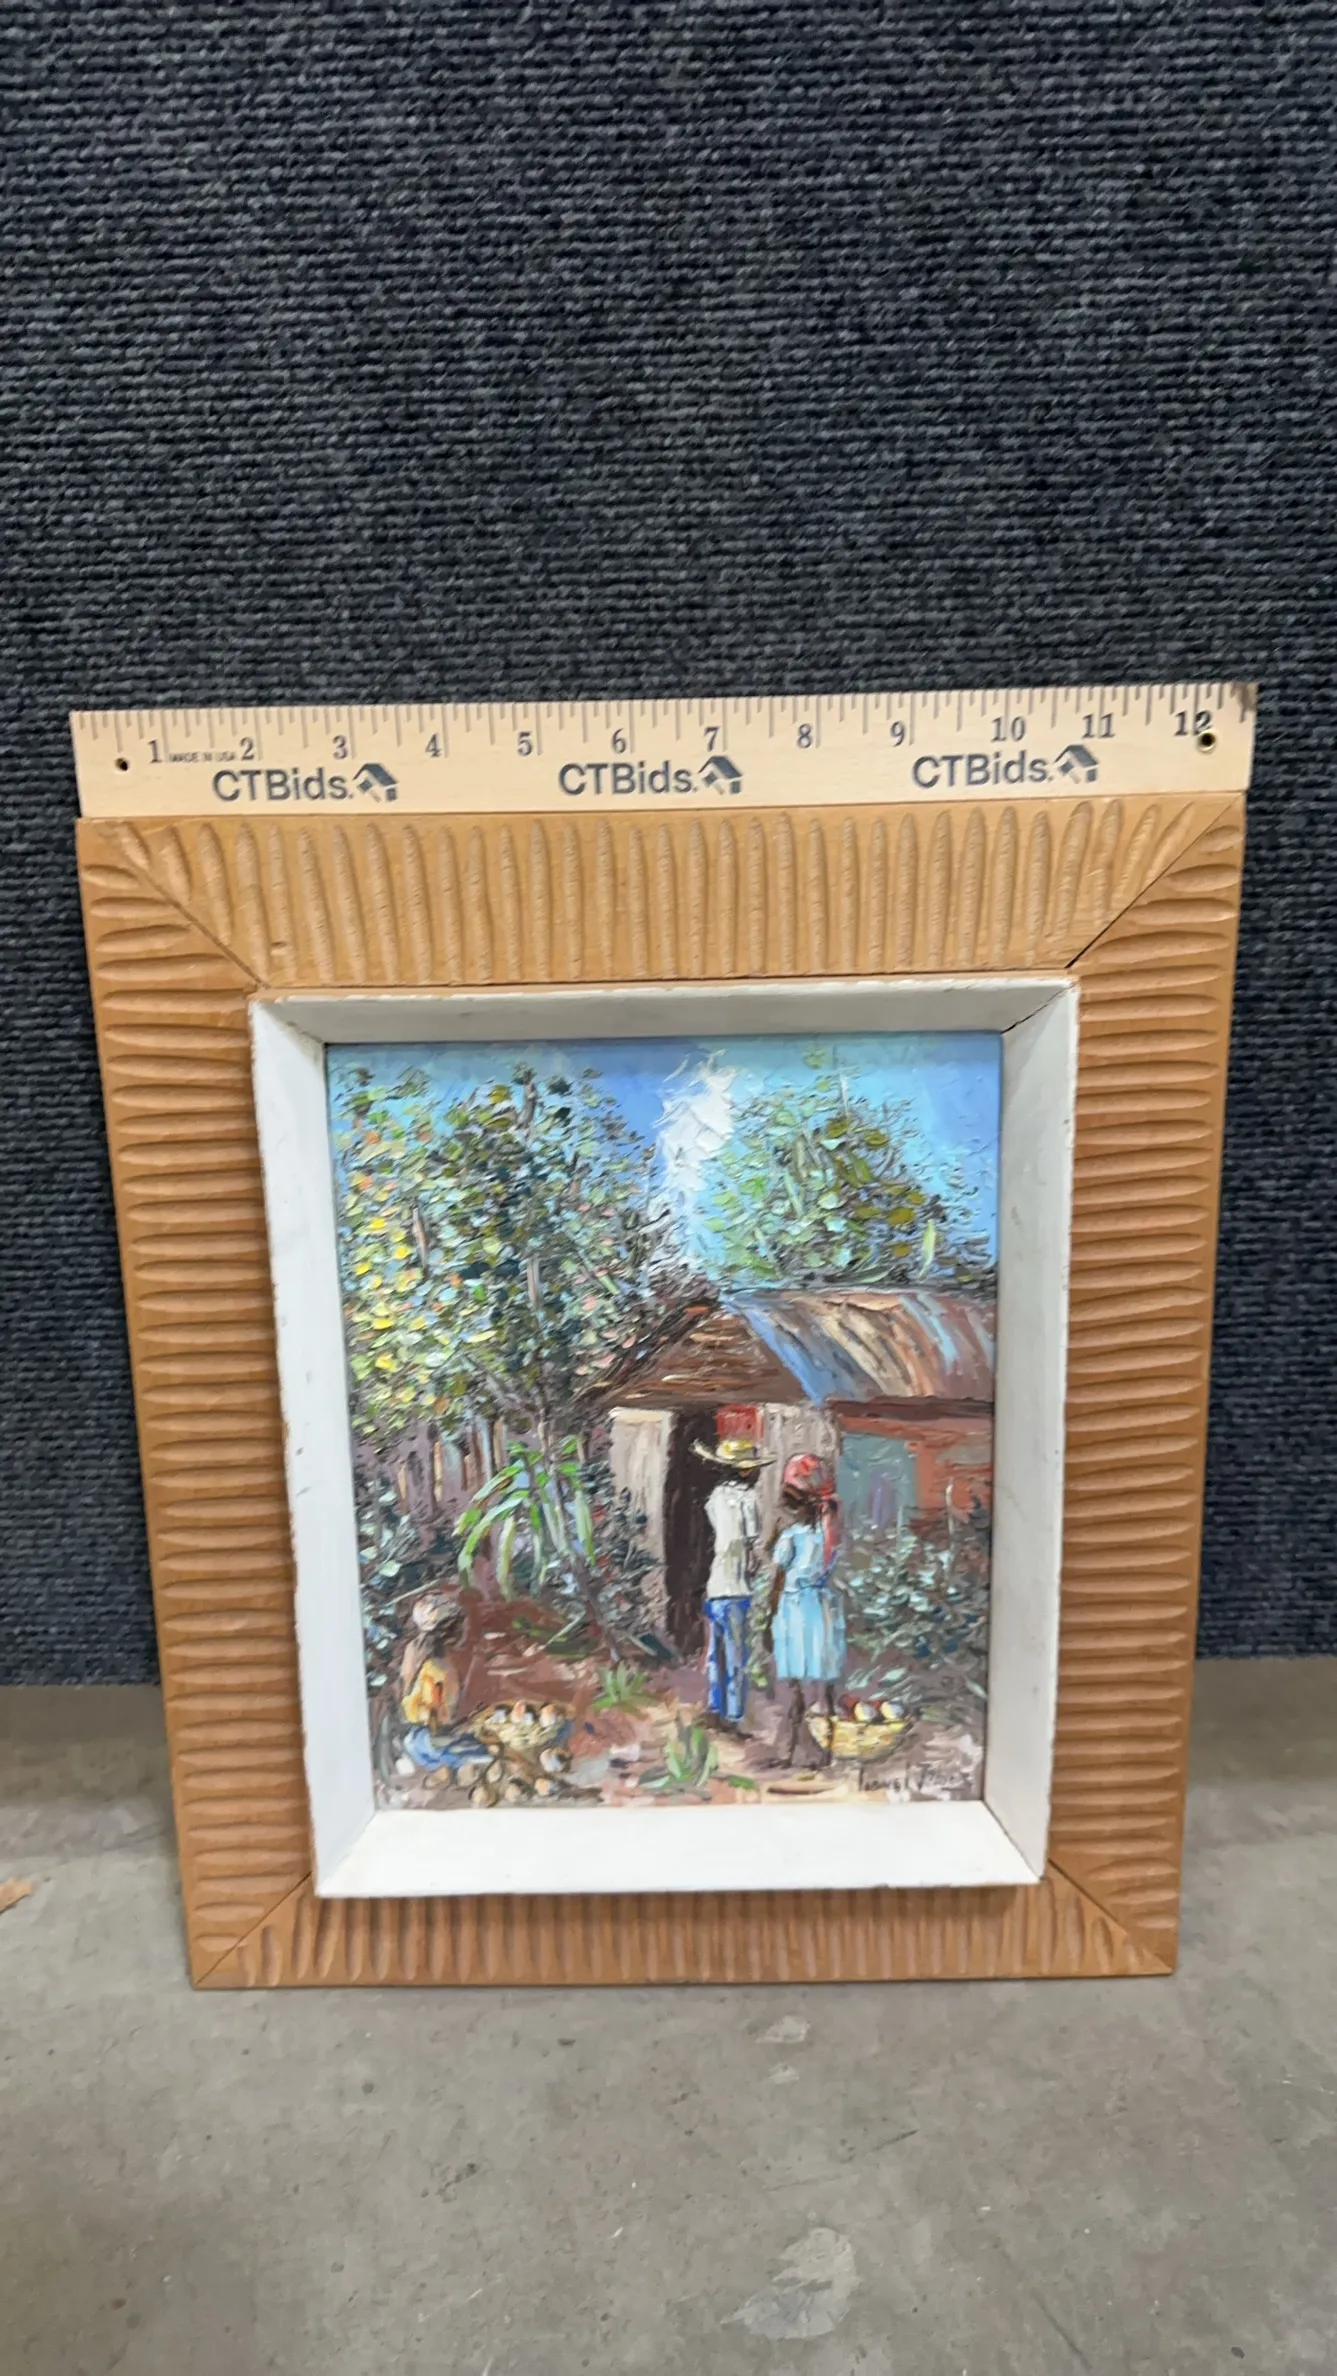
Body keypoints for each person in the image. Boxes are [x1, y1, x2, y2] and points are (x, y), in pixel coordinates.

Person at [764, 1454, 845, 1764]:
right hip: (822, 1608)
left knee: (795, 1690)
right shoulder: (829, 1536)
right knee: (823, 1689)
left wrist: (769, 1619)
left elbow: (778, 1580)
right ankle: (825, 1753)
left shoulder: (790, 1536)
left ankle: (790, 1752)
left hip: (794, 1610)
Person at [693, 1436, 769, 1727]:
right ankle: (734, 1714)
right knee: (737, 1655)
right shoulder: (749, 1499)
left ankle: (715, 1706)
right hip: (738, 1587)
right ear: (746, 1470)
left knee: (716, 1652)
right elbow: (751, 1546)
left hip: (716, 1585)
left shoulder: (715, 1498)